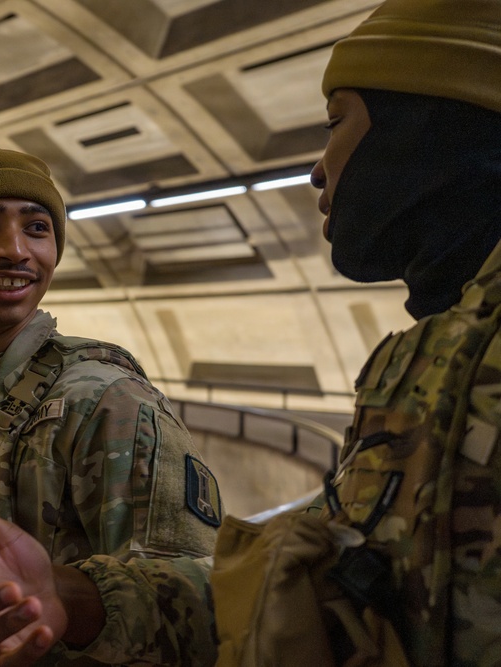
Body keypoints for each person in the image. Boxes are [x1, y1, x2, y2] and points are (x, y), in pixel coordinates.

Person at [0, 145, 222, 666]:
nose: (16, 250)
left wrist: (75, 598)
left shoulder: (103, 403)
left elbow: (211, 601)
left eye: (37, 228)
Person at [213, 1, 501, 665]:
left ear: (420, 127)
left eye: (336, 122)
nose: (317, 169)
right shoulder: (428, 354)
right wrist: (81, 597)